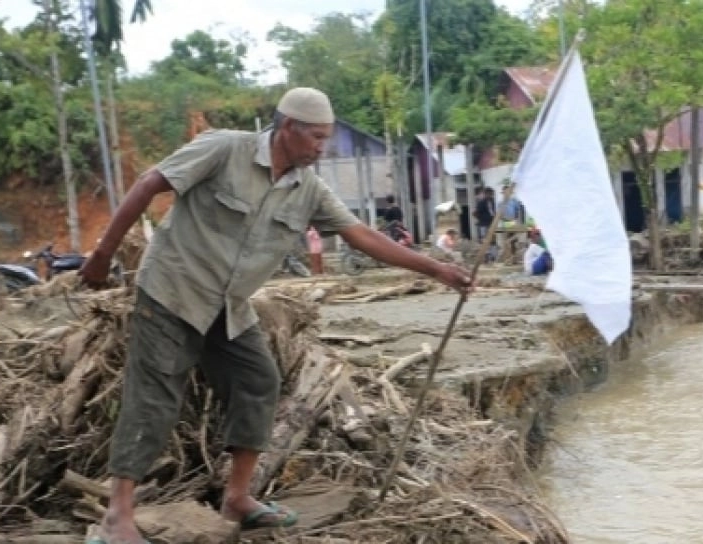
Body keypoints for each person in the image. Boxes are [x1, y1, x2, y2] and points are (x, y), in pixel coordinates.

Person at [78, 87, 472, 544]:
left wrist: (437, 268)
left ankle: (237, 499)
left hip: (228, 307)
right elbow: (149, 183)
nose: (322, 149)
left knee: (258, 380)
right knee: (154, 396)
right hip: (172, 291)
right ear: (288, 129)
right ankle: (117, 516)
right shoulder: (225, 149)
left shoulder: (309, 190)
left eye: (327, 139)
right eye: (317, 139)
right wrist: (103, 254)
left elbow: (362, 236)